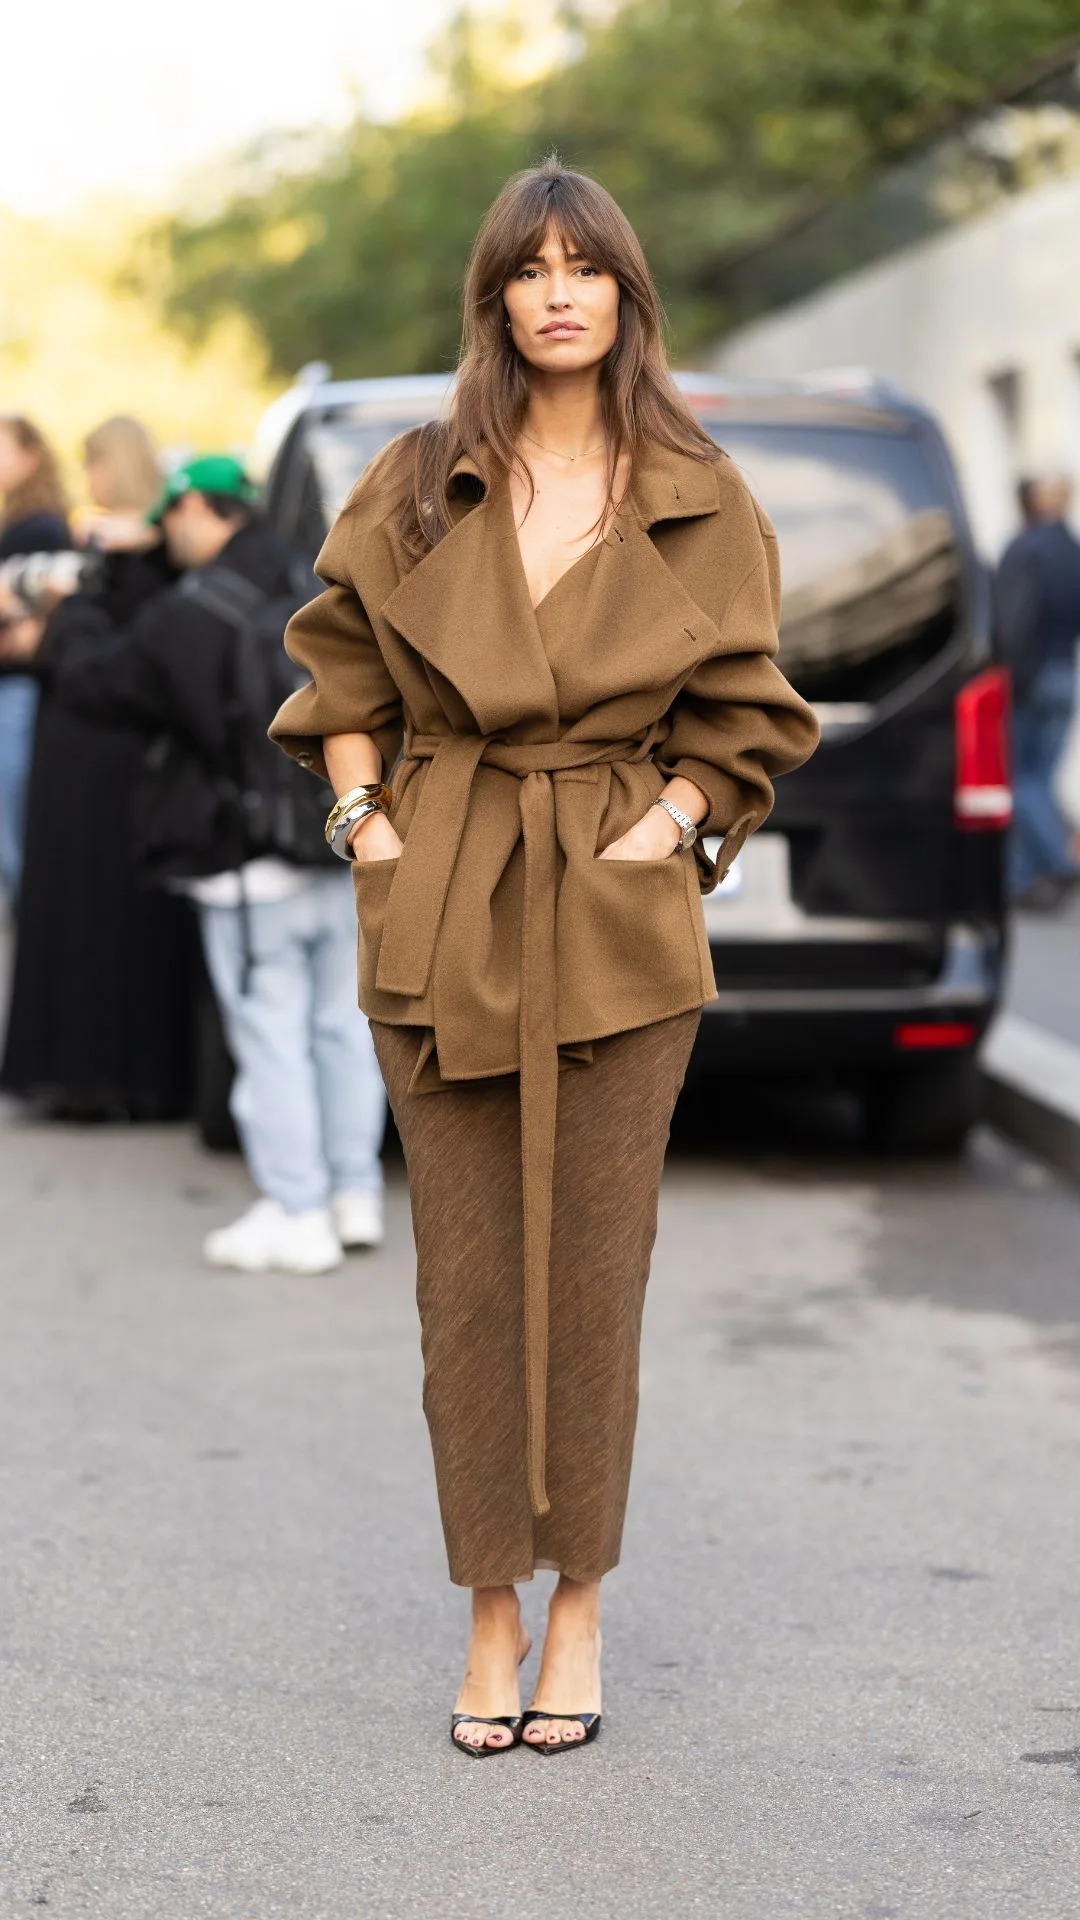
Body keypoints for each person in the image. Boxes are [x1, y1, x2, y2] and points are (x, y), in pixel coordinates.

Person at [270, 158, 819, 1757]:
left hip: (618, 919)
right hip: (443, 897)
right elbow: (336, 661)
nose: (560, 289)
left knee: (594, 1276)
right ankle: (487, 1609)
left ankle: (577, 1605)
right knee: (465, 1285)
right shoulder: (417, 474)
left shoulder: (703, 490)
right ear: (497, 297)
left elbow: (749, 717)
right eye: (532, 266)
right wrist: (365, 823)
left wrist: (670, 826)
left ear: (626, 295)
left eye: (589, 265)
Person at [5, 453, 387, 1272]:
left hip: (246, 864)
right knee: (343, 1029)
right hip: (340, 841)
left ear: (192, 513)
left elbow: (101, 681)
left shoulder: (196, 610)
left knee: (269, 1033)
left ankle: (296, 1209)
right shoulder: (315, 582)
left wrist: (74, 608)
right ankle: (355, 1196)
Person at [1, 417, 197, 1120]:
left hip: (98, 750)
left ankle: (90, 1073)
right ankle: (136, 1074)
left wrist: (55, 623)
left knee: (85, 911)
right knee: (119, 912)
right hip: (125, 753)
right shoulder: (162, 550)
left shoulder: (123, 552)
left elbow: (102, 650)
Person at [995, 474, 1080, 910]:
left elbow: (1013, 623)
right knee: (1040, 777)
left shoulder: (1026, 549)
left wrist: (1009, 676)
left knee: (1021, 779)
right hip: (1066, 672)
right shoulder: (1071, 549)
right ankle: (1023, 880)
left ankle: (1062, 859)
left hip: (1031, 679)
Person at [0, 417, 70, 899]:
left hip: (20, 690)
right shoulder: (26, 524)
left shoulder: (39, 528)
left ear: (31, 455)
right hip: (18, 691)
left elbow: (32, 630)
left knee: (15, 821)